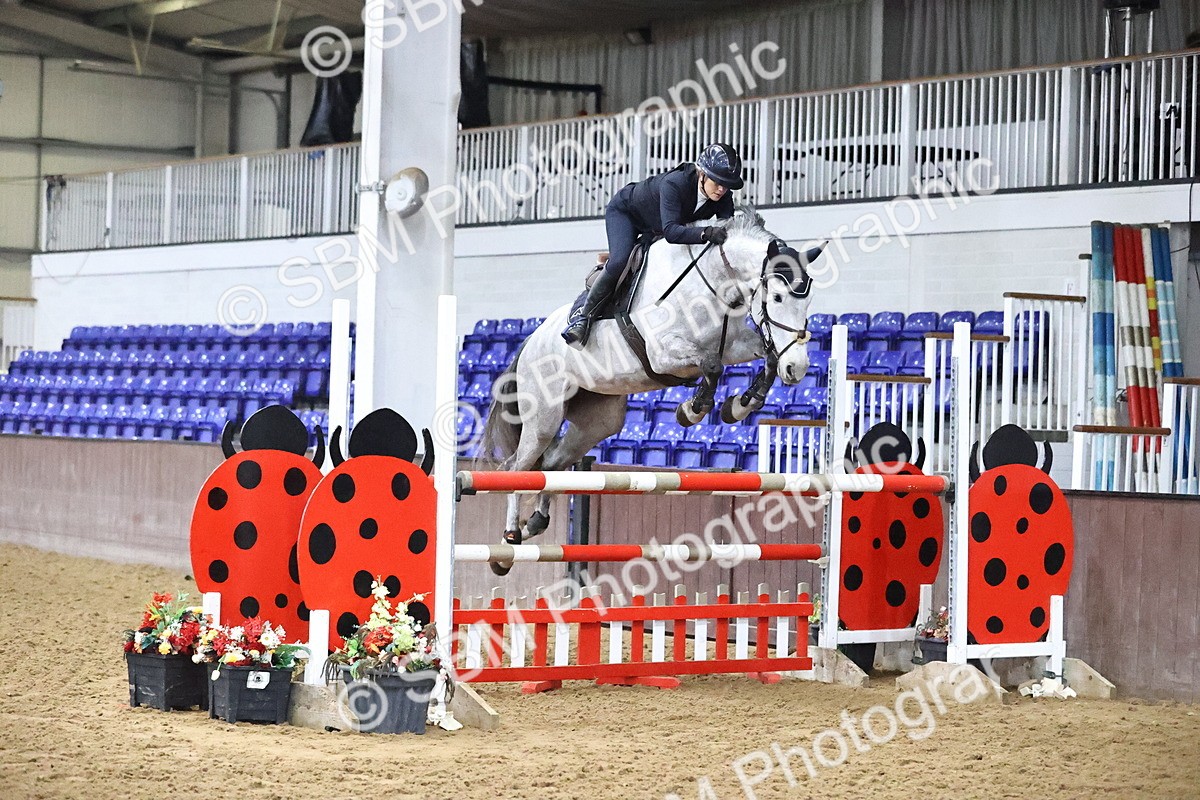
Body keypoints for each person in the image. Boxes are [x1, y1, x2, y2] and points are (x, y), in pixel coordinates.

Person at [560, 142, 745, 348]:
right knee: (621, 260)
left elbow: (727, 229)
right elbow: (672, 232)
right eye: (717, 182)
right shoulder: (675, 184)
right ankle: (583, 317)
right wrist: (705, 232)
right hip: (627, 213)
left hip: (655, 226)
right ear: (702, 173)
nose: (722, 189)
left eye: (727, 184)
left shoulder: (723, 195)